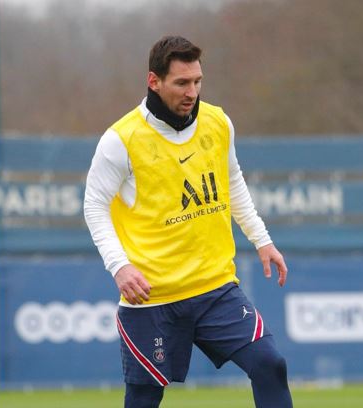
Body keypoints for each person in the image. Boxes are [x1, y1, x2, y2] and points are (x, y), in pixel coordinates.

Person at [83, 35, 293, 408]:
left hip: (215, 288)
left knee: (269, 364)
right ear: (154, 81)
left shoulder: (217, 122)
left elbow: (232, 183)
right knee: (144, 397)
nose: (191, 91)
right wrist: (120, 267)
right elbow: (94, 206)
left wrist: (261, 239)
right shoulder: (121, 139)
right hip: (152, 298)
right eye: (181, 82)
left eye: (197, 81)